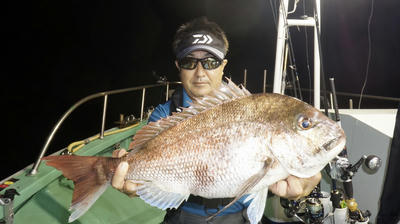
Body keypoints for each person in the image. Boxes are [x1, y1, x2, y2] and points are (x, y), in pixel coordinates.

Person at [111, 17, 321, 224]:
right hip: (184, 215)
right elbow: (146, 174)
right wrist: (136, 184)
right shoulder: (164, 116)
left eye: (211, 62)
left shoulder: (250, 109)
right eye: (189, 62)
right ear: (178, 66)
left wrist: (303, 175)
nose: (200, 73)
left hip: (239, 214)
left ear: (223, 65)